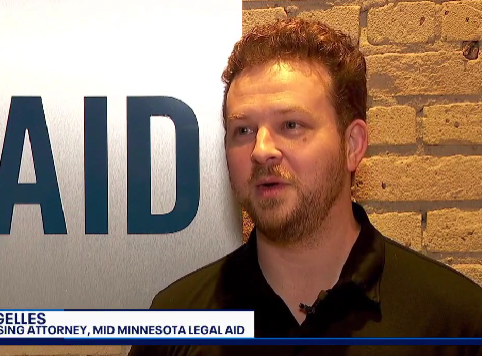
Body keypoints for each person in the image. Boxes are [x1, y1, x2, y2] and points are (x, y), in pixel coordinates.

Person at [128, 18, 482, 356]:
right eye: (243, 130)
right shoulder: (177, 323)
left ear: (353, 145)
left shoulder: (455, 327)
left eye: (291, 124)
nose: (262, 150)